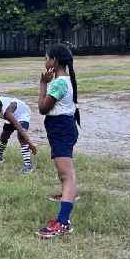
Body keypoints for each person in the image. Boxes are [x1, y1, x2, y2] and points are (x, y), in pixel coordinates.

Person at [36, 43, 81, 238]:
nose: (45, 61)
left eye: (46, 57)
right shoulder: (66, 80)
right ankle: (66, 200)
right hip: (64, 127)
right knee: (65, 174)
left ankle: (63, 222)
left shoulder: (58, 83)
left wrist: (42, 84)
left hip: (61, 128)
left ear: (54, 60)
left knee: (67, 176)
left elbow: (42, 108)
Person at [0, 62, 38, 175]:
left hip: (22, 113)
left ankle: (28, 164)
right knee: (4, 135)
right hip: (12, 113)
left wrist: (31, 143)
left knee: (21, 136)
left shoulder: (7, 113)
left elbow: (19, 127)